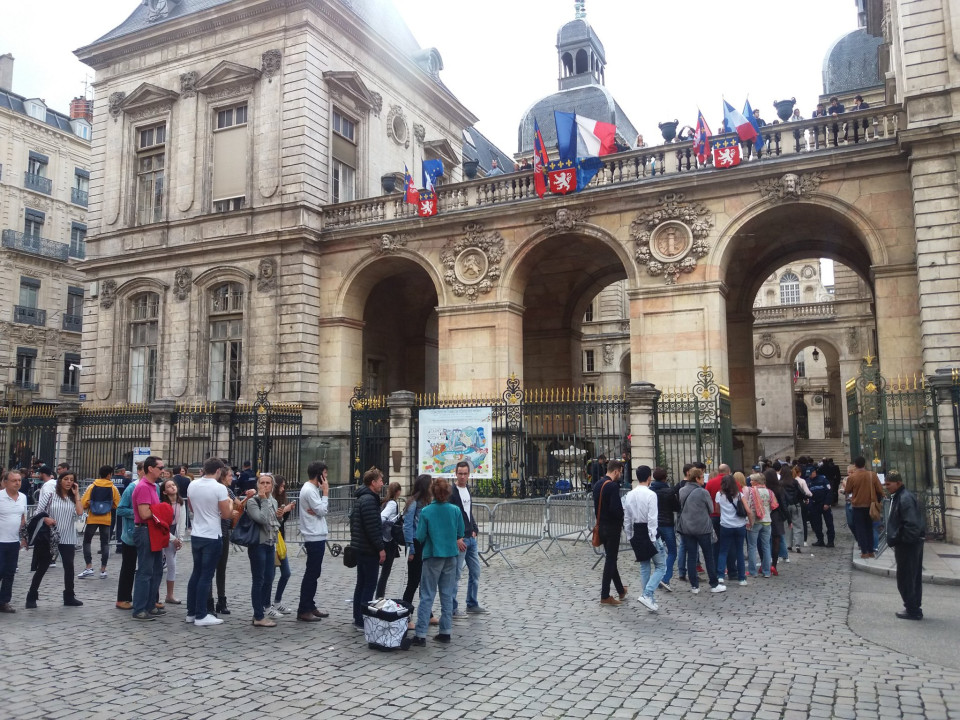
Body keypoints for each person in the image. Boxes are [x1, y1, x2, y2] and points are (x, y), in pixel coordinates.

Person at [411, 477, 465, 647]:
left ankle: (420, 634)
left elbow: (419, 536)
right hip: (450, 556)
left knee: (427, 594)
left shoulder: (426, 511)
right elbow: (460, 532)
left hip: (433, 554)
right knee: (447, 595)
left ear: (433, 492)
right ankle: (445, 631)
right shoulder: (455, 510)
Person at [185, 457, 233, 627]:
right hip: (212, 534)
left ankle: (191, 612)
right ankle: (201, 614)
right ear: (219, 471)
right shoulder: (219, 488)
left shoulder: (193, 484)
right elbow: (227, 514)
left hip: (197, 533)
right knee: (206, 575)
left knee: (196, 573)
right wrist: (231, 504)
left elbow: (191, 507)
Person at [28, 471, 84, 608]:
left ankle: (69, 596)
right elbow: (37, 512)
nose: (69, 482)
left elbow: (80, 513)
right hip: (50, 536)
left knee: (69, 566)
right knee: (43, 566)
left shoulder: (72, 498)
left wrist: (77, 495)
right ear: (60, 481)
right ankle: (31, 596)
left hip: (68, 536)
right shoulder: (50, 495)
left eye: (71, 479)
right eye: (66, 479)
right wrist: (46, 518)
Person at [623, 465, 665, 612]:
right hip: (648, 531)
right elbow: (652, 518)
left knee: (644, 565)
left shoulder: (630, 494)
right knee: (661, 566)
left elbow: (627, 518)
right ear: (649, 478)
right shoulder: (650, 495)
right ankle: (647, 594)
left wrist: (629, 535)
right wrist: (653, 537)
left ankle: (649, 598)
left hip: (636, 530)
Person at [884, 470, 925, 620]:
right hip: (909, 543)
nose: (886, 487)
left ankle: (912, 608)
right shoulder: (901, 496)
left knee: (907, 576)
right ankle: (913, 606)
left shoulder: (905, 498)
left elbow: (912, 524)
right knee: (910, 576)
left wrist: (903, 540)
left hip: (908, 544)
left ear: (898, 483)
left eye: (889, 484)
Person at [677, 467, 725, 594]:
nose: (704, 480)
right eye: (702, 477)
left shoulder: (682, 490)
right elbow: (711, 508)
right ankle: (714, 584)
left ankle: (694, 586)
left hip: (687, 528)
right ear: (697, 478)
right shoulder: (703, 492)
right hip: (703, 528)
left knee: (691, 556)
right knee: (708, 556)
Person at [350, 467, 386, 631]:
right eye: (380, 481)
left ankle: (357, 616)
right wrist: (380, 548)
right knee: (368, 586)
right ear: (373, 483)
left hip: (360, 547)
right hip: (368, 549)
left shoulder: (362, 498)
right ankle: (362, 619)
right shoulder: (370, 500)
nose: (382, 484)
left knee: (361, 584)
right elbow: (373, 528)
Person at [450, 461, 486, 616]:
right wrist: (457, 537)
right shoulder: (452, 492)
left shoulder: (468, 489)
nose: (463, 476)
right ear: (456, 474)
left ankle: (472, 603)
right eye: (460, 473)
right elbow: (451, 517)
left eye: (465, 474)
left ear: (469, 474)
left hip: (471, 537)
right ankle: (452, 607)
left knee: (475, 571)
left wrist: (475, 528)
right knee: (456, 574)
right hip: (461, 539)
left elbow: (468, 512)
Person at [402, 474, 439, 628]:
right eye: (431, 483)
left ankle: (427, 613)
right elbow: (407, 526)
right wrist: (410, 547)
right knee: (413, 582)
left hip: (426, 545)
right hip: (416, 545)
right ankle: (405, 615)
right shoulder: (413, 503)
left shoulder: (428, 502)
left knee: (426, 581)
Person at [131, 456, 165, 620]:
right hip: (144, 530)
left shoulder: (153, 486)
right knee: (145, 571)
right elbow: (144, 513)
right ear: (150, 468)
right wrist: (161, 509)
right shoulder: (144, 487)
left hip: (153, 530)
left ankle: (150, 604)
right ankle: (139, 608)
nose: (163, 470)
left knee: (157, 570)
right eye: (160, 467)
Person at [296, 462, 329, 622]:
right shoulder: (310, 490)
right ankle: (304, 608)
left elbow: (319, 511)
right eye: (325, 473)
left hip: (318, 535)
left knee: (315, 573)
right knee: (311, 573)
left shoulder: (312, 490)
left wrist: (319, 510)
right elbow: (322, 511)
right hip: (313, 535)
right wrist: (326, 493)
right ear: (319, 475)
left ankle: (310, 604)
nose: (326, 477)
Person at [246, 473, 281, 627]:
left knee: (269, 577)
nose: (265, 486)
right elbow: (261, 519)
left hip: (270, 543)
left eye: (268, 483)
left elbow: (273, 521)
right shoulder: (253, 501)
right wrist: (264, 500)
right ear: (258, 485)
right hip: (258, 544)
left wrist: (280, 516)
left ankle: (260, 611)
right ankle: (258, 615)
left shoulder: (272, 500)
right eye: (262, 483)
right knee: (258, 579)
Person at [211, 464, 244, 616]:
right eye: (230, 475)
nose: (232, 478)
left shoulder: (228, 490)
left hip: (224, 532)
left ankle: (221, 600)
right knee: (212, 569)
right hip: (216, 531)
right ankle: (210, 600)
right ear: (223, 476)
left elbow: (238, 505)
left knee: (221, 568)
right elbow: (228, 511)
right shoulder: (219, 489)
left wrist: (248, 497)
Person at [593, 459, 627, 604]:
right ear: (615, 471)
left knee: (610, 558)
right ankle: (605, 595)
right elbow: (616, 510)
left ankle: (620, 590)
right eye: (620, 472)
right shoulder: (612, 486)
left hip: (601, 526)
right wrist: (623, 513)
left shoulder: (597, 484)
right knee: (611, 560)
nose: (620, 475)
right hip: (612, 528)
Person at [79, 464, 121, 580]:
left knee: (87, 542)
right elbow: (118, 503)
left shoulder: (92, 486)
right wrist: (108, 506)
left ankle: (89, 567)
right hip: (106, 518)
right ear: (109, 475)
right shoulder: (113, 488)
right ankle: (103, 569)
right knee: (105, 544)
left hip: (93, 517)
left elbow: (84, 502)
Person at [267, 475, 297, 619]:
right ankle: (266, 605)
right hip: (271, 540)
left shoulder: (280, 499)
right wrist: (285, 510)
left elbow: (282, 521)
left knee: (286, 573)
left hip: (280, 540)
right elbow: (271, 518)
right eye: (282, 486)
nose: (283, 488)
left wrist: (288, 509)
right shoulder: (269, 501)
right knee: (270, 575)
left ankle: (277, 601)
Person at [844, 456, 886, 559]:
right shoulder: (872, 475)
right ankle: (871, 550)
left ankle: (864, 551)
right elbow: (880, 490)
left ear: (855, 465)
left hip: (858, 506)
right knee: (869, 528)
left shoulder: (852, 477)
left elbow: (848, 490)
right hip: (870, 505)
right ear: (864, 464)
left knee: (860, 529)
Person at [0, 470, 27, 613]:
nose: (17, 483)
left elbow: (23, 518)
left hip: (13, 541)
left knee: (10, 572)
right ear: (6, 482)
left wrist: (23, 538)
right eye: (14, 480)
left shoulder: (23, 497)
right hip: (0, 541)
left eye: (19, 480)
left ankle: (4, 601)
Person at [715, 473, 747, 586]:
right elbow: (747, 509)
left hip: (726, 525)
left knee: (723, 551)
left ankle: (720, 576)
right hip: (739, 525)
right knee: (739, 552)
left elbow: (717, 510)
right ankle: (742, 578)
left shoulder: (719, 495)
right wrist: (750, 522)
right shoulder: (739, 495)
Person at [650, 467, 679, 591]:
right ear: (665, 478)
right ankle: (666, 578)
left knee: (656, 551)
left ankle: (658, 576)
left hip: (655, 524)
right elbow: (677, 507)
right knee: (672, 551)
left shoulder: (650, 491)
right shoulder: (669, 491)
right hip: (667, 523)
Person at [115, 473, 140, 610]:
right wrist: (139, 513)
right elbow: (120, 509)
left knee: (149, 568)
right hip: (130, 535)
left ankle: (149, 598)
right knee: (128, 567)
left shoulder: (155, 487)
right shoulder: (131, 488)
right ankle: (123, 598)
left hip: (147, 534)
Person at [743, 472, 775, 579]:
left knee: (752, 547)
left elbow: (750, 506)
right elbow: (772, 506)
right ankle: (766, 571)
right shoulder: (769, 492)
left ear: (756, 482)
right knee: (766, 546)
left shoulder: (752, 491)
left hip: (755, 521)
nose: (750, 482)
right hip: (767, 521)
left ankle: (753, 571)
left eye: (752, 480)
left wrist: (749, 520)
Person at [160, 478, 186, 604]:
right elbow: (162, 524)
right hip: (163, 533)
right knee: (163, 564)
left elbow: (182, 521)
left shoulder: (181, 503)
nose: (173, 487)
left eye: (173, 485)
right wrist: (173, 538)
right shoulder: (163, 504)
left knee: (172, 565)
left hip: (174, 533)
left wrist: (180, 538)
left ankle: (170, 594)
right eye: (169, 486)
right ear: (164, 492)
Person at [376, 481, 403, 598]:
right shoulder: (392, 503)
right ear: (398, 492)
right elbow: (382, 518)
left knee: (384, 571)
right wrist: (391, 523)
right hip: (388, 540)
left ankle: (379, 595)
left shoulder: (386, 501)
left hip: (385, 539)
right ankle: (379, 596)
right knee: (385, 572)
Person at [807, 464, 835, 548]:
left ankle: (830, 541)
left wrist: (827, 503)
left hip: (824, 504)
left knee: (829, 523)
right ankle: (820, 540)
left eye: (811, 474)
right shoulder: (807, 481)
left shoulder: (823, 479)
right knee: (816, 524)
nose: (809, 476)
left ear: (814, 472)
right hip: (815, 505)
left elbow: (829, 492)